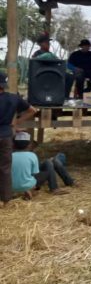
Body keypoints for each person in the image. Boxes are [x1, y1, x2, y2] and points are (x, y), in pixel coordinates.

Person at [0, 74, 37, 206]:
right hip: (5, 135)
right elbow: (32, 110)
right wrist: (16, 122)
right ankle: (5, 200)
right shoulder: (13, 98)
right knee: (5, 168)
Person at [11, 132, 72, 198]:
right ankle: (54, 188)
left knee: (49, 162)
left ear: (13, 145)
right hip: (28, 185)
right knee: (49, 164)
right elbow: (35, 173)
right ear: (28, 145)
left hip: (10, 186)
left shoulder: (8, 156)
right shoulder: (32, 156)